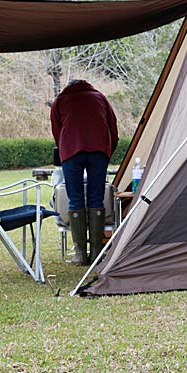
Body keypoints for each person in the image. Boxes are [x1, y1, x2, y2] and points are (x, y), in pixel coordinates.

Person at [50, 79, 118, 265]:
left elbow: (57, 131)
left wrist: (64, 150)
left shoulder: (60, 101)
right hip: (98, 150)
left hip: (71, 151)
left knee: (75, 198)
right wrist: (107, 151)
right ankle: (97, 252)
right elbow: (113, 127)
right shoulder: (100, 98)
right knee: (96, 197)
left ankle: (80, 254)